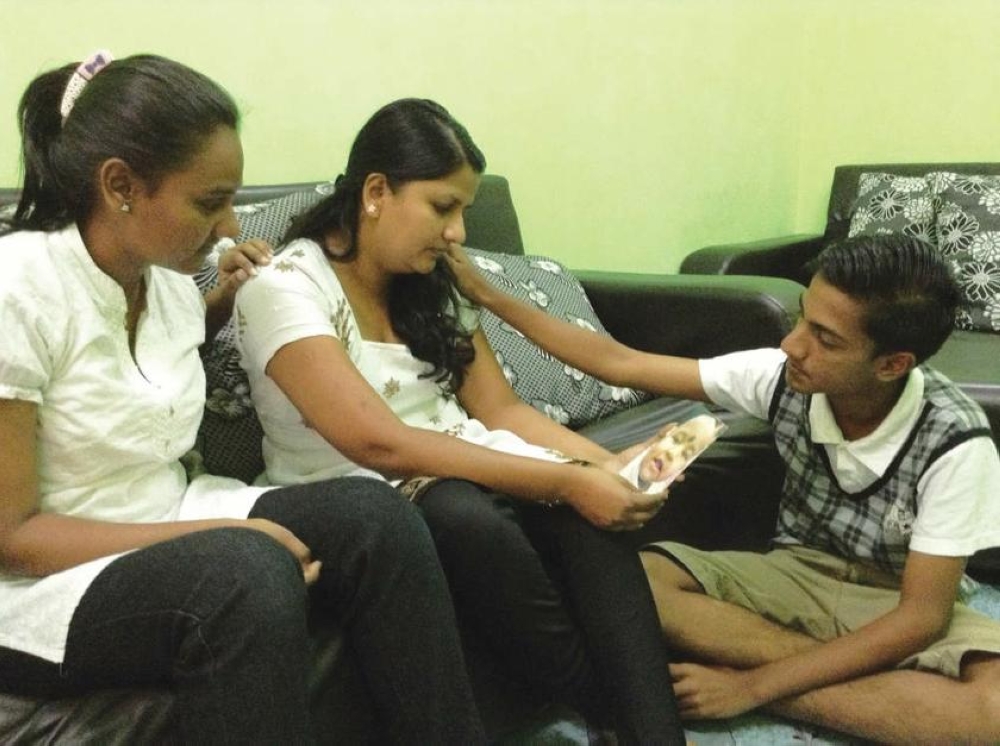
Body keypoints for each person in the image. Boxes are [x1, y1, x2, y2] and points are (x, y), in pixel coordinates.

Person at [0, 52, 485, 745]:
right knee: (245, 572)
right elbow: (12, 540)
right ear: (120, 186)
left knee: (376, 512)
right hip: (41, 587)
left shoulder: (167, 284)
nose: (230, 225)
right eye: (210, 201)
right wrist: (218, 536)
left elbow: (130, 376)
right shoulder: (16, 289)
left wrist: (219, 306)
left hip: (170, 509)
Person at [233, 98, 685, 744]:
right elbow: (376, 442)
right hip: (362, 493)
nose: (459, 233)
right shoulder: (283, 288)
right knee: (462, 514)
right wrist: (564, 479)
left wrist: (603, 467)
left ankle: (654, 734)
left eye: (464, 211)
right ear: (376, 192)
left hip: (465, 466)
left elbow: (500, 410)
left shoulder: (432, 285)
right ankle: (608, 706)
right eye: (443, 207)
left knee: (592, 514)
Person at [446, 232, 1000, 742]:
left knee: (992, 711)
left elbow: (919, 618)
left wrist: (752, 688)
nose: (792, 345)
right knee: (634, 584)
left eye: (824, 339)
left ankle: (792, 686)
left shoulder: (956, 441)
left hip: (891, 595)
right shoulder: (781, 377)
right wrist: (487, 296)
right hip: (796, 571)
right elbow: (618, 362)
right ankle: (867, 684)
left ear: (892, 364)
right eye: (803, 319)